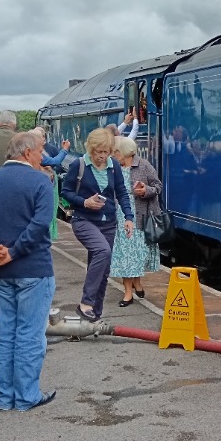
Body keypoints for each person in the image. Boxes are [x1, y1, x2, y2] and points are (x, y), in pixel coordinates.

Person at [0, 132, 57, 411]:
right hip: (33, 269)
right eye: (41, 150)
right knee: (31, 333)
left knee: (6, 331)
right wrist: (15, 252)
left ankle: (5, 398)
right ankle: (27, 396)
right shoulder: (40, 182)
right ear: (28, 152)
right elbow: (41, 224)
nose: (43, 156)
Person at [60, 128, 134, 321]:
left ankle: (94, 316)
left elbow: (122, 193)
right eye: (98, 152)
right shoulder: (79, 165)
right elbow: (65, 192)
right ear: (90, 149)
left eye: (106, 152)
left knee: (103, 268)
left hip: (108, 222)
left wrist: (128, 217)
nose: (102, 156)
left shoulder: (113, 166)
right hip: (84, 220)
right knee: (103, 252)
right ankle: (86, 303)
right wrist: (85, 202)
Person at [109, 137, 163, 306]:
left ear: (123, 152)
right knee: (125, 256)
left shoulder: (144, 165)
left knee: (136, 256)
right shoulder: (113, 167)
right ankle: (128, 293)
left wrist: (145, 190)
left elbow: (158, 186)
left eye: (116, 151)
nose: (113, 154)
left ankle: (137, 283)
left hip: (140, 217)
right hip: (121, 218)